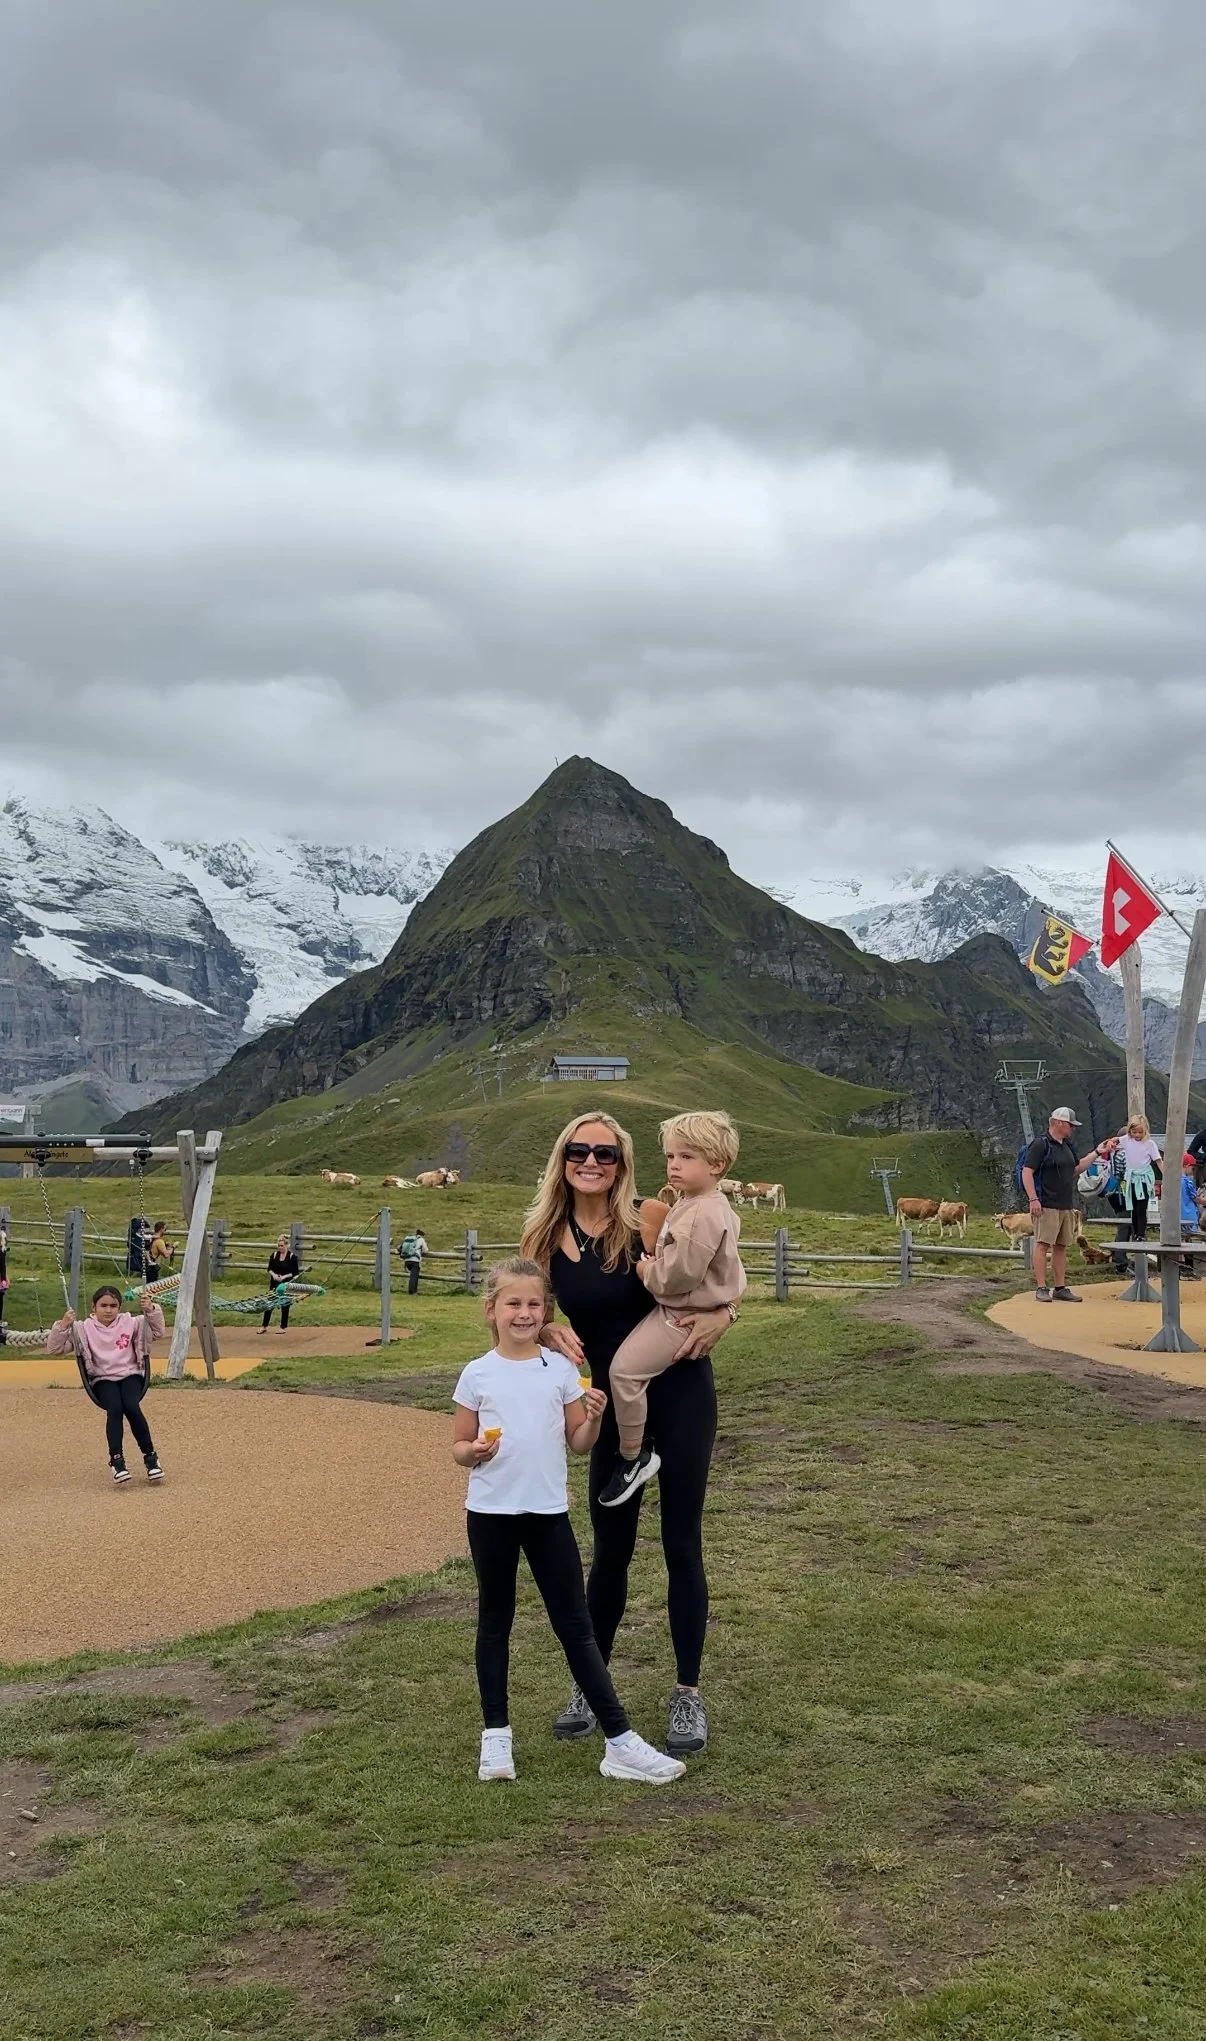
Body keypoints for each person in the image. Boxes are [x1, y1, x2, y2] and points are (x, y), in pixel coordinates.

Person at [521, 1112, 734, 1758]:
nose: (592, 1161)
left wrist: (727, 1311)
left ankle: (688, 1693)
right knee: (610, 1551)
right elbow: (515, 1312)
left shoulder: (647, 1217)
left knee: (681, 1544)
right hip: (613, 1409)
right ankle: (593, 1683)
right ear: (563, 1158)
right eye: (580, 1150)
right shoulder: (543, 1237)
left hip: (683, 1391)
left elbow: (718, 1264)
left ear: (622, 1162)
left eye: (606, 1153)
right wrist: (544, 1329)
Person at [452, 1257, 686, 1787]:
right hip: (490, 1515)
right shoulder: (477, 1374)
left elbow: (578, 1443)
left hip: (547, 1515)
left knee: (576, 1627)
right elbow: (460, 1446)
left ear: (546, 1311)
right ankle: (496, 1736)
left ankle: (620, 1742)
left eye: (534, 1304)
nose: (524, 1313)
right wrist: (475, 1453)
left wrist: (597, 1416)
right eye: (513, 1303)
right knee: (495, 1620)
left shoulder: (560, 1371)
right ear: (492, 1310)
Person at [599, 1111, 746, 1509]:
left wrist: (647, 1268)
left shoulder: (699, 1213)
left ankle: (632, 1456)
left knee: (624, 1372)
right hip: (690, 1310)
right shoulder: (707, 1205)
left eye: (687, 1157)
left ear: (717, 1165)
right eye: (670, 1157)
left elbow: (677, 1277)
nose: (674, 1166)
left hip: (679, 1316)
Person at [47, 1285, 166, 1484]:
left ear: (119, 1307)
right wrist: (63, 1325)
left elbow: (158, 1332)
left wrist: (151, 1310)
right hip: (102, 1379)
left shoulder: (132, 1323)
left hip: (130, 1375)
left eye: (113, 1305)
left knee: (131, 1406)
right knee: (115, 1408)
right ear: (94, 1307)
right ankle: (117, 1460)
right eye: (103, 1305)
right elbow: (55, 1348)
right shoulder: (83, 1329)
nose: (108, 1310)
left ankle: (151, 1458)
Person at [1021, 1107, 1107, 1303]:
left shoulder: (1067, 1146)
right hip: (1046, 1203)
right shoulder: (1040, 1145)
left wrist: (1096, 1153)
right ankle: (1041, 1287)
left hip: (1065, 1204)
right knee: (1042, 1244)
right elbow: (1027, 1171)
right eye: (1070, 1125)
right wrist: (1033, 1199)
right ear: (1058, 1123)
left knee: (1061, 1245)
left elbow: (1075, 1169)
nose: (1072, 1129)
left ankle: (1060, 1287)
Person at [1115, 1114, 1163, 1243]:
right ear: (1130, 1130)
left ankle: (1141, 1234)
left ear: (1145, 1130)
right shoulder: (1126, 1140)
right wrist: (1108, 1144)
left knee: (1142, 1208)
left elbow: (1158, 1161)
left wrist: (1166, 1175)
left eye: (1140, 1132)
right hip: (1131, 1179)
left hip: (1143, 1179)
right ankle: (1136, 1233)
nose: (1137, 1135)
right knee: (1133, 1208)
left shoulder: (1150, 1144)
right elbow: (1116, 1140)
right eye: (1134, 1132)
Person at [259, 1234, 300, 1334]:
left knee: (285, 1304)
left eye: (282, 1246)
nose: (280, 1247)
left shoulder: (292, 1257)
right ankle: (264, 1326)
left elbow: (295, 1272)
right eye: (279, 1246)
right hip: (274, 1284)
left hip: (286, 1284)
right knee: (269, 1304)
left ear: (287, 1245)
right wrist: (273, 1275)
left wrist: (284, 1277)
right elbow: (269, 1269)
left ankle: (283, 1327)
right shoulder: (274, 1255)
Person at [1179, 1152, 1203, 1279]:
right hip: (1188, 1216)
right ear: (1186, 1165)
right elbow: (1195, 1198)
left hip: (1177, 1216)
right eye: (1192, 1168)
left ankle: (1180, 1268)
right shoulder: (1187, 1181)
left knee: (1178, 1242)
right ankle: (1188, 1270)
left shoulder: (1172, 1180)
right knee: (1188, 1243)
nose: (1193, 1170)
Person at [398, 1225, 428, 1296]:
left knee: (412, 1276)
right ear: (422, 1235)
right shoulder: (421, 1240)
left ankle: (412, 1291)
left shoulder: (409, 1239)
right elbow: (426, 1250)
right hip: (415, 1260)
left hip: (407, 1260)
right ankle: (412, 1291)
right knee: (414, 1276)